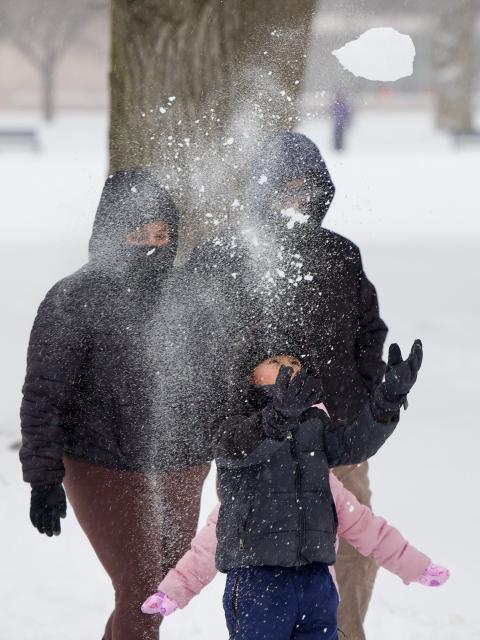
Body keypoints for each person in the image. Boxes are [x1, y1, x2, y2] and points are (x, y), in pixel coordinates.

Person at [186, 132, 388, 639]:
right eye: (283, 190)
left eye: (306, 189)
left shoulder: (341, 255)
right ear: (259, 193)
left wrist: (360, 398)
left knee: (357, 554)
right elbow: (196, 344)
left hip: (338, 443)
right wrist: (253, 382)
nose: (296, 201)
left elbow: (369, 333)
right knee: (272, 570)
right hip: (261, 444)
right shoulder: (222, 257)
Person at [19, 169, 210, 640]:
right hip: (103, 462)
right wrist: (44, 479)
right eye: (137, 233)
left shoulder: (190, 294)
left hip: (182, 463)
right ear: (110, 233)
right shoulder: (74, 298)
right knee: (144, 590)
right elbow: (44, 396)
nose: (152, 245)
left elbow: (214, 373)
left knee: (164, 588)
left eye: (162, 234)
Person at [143, 337, 422, 639]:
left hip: (316, 582)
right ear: (250, 373)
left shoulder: (314, 423)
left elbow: (352, 446)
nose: (288, 368)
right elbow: (239, 455)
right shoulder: (232, 422)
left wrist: (386, 402)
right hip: (260, 584)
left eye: (295, 363)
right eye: (275, 362)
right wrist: (174, 590)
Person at [141, 470, 449, 617]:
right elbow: (210, 544)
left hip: (316, 598)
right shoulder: (247, 485)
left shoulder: (323, 483)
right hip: (257, 599)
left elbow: (367, 528)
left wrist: (416, 566)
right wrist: (174, 590)